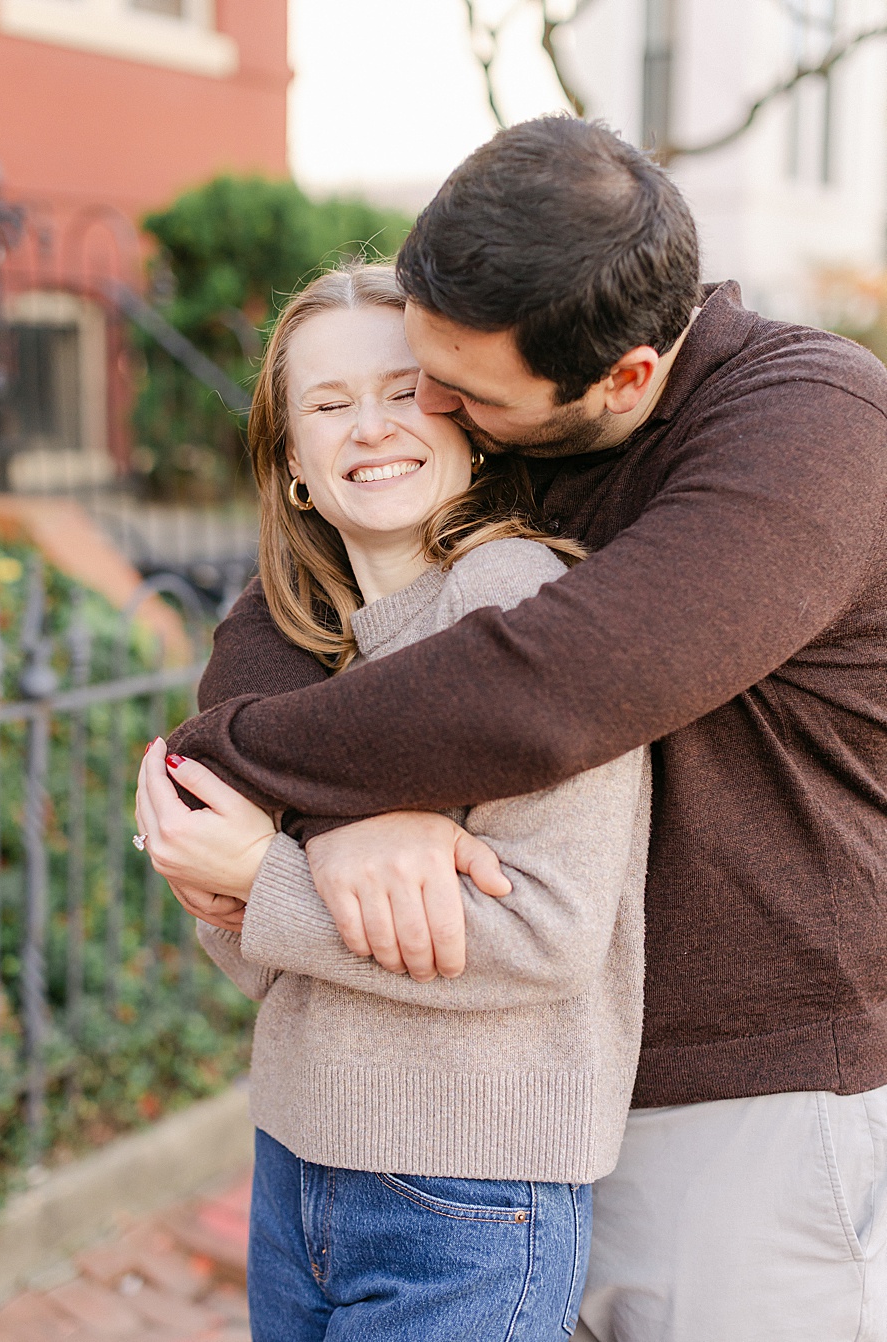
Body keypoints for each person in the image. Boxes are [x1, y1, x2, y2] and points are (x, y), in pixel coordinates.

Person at [165, 117, 887, 1340]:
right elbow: (278, 626)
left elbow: (550, 685)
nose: (426, 407)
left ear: (625, 379)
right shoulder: (520, 425)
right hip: (530, 1095)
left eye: (450, 391)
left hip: (744, 1100)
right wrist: (331, 810)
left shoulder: (815, 427)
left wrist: (276, 810)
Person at [136, 261, 646, 1340]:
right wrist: (229, 887)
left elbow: (549, 931)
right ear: (294, 473)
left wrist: (260, 877)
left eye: (405, 391)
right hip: (297, 1164)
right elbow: (253, 953)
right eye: (329, 405)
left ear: (469, 424)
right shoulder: (295, 655)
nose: (370, 426)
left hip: (476, 1194)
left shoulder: (518, 603)